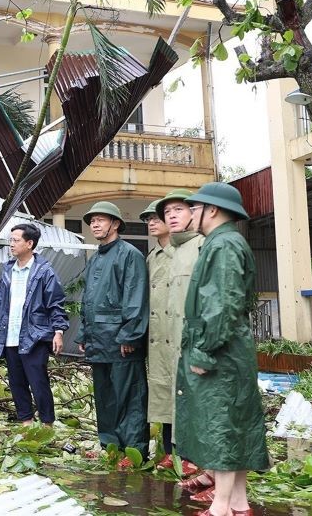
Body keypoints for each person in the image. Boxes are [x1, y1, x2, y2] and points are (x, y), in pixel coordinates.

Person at [175, 182, 268, 516]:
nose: (190, 214)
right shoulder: (223, 242)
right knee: (234, 424)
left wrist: (203, 351)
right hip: (229, 351)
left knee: (222, 426)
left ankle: (221, 507)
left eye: (194, 208)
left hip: (221, 353)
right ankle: (239, 504)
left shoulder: (224, 244)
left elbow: (222, 304)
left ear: (211, 210)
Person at [76, 201, 149, 467]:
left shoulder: (130, 255)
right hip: (99, 340)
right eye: (92, 220)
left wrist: (130, 335)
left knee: (129, 397)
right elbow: (89, 299)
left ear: (115, 223)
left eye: (101, 220)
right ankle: (110, 447)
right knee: (105, 397)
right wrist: (84, 334)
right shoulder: (96, 258)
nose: (95, 224)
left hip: (120, 341)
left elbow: (136, 296)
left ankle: (134, 452)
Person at [0, 223, 68, 426]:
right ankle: (26, 422)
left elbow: (55, 302)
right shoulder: (7, 270)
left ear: (30, 243)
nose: (11, 244)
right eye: (10, 240)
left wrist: (58, 331)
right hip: (10, 335)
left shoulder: (44, 271)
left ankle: (47, 423)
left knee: (38, 381)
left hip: (35, 336)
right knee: (17, 382)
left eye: (16, 240)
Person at [154, 189, 203, 477]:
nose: (171, 216)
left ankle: (196, 458)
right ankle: (177, 453)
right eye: (167, 212)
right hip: (170, 339)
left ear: (194, 212)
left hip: (194, 339)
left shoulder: (202, 245)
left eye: (178, 210)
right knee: (172, 395)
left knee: (193, 398)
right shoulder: (175, 249)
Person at [140, 199, 175, 465]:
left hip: (176, 334)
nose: (151, 223)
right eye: (148, 219)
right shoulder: (151, 256)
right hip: (156, 336)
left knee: (178, 392)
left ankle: (182, 453)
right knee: (161, 392)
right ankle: (168, 452)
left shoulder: (184, 252)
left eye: (156, 218)